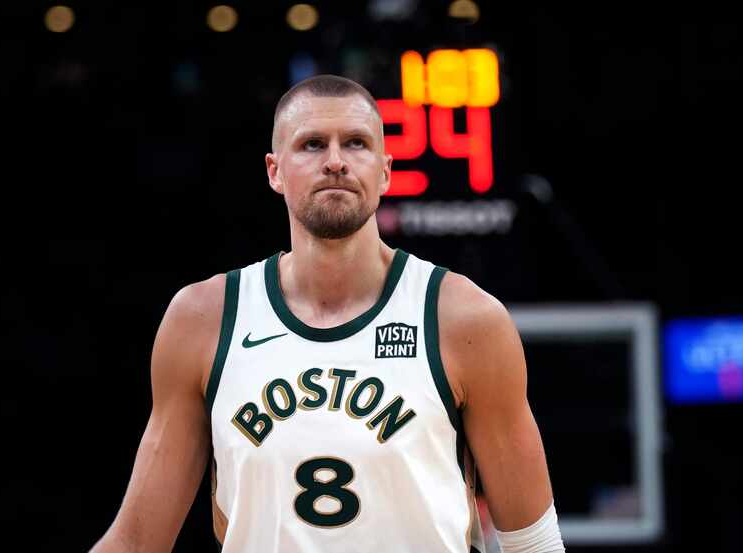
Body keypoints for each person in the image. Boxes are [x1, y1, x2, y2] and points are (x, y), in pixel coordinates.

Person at [90, 75, 565, 553]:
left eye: (356, 143)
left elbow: (536, 544)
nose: (335, 161)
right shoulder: (203, 319)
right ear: (275, 171)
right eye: (312, 144)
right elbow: (135, 542)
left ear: (384, 170)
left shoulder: (463, 320)